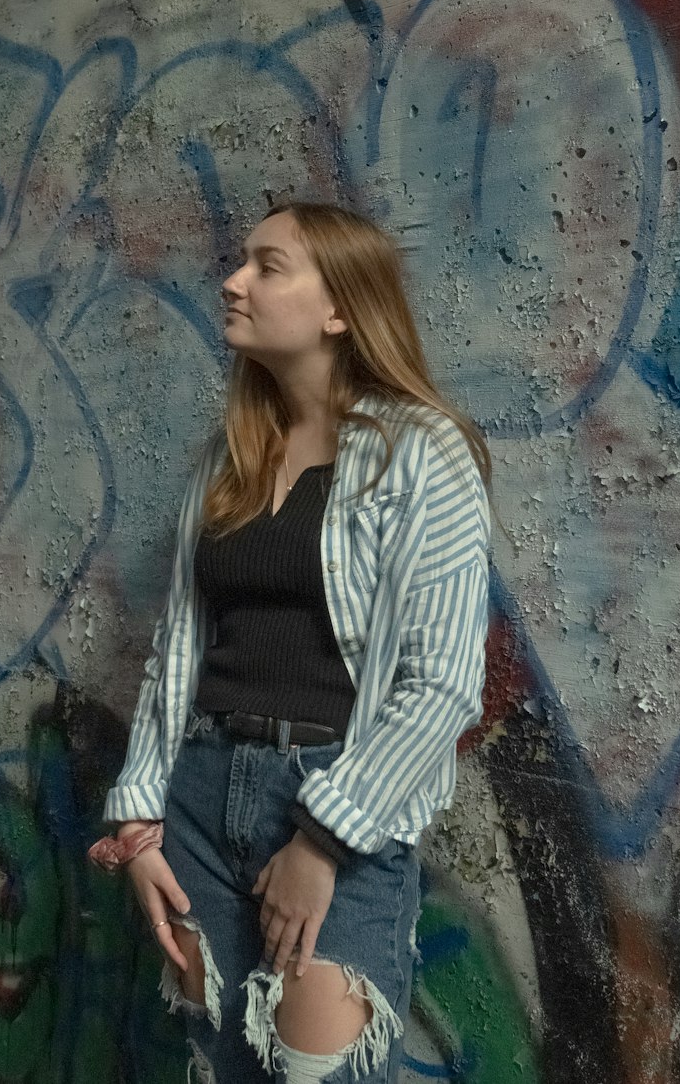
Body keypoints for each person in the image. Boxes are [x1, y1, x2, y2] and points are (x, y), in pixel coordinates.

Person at [91, 201, 491, 1084]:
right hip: (198, 797)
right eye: (241, 262)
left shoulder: (423, 455)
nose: (233, 281)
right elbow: (180, 652)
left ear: (340, 307)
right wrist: (140, 817)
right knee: (221, 1071)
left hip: (335, 804)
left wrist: (321, 844)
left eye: (268, 266)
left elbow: (445, 683)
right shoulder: (230, 459)